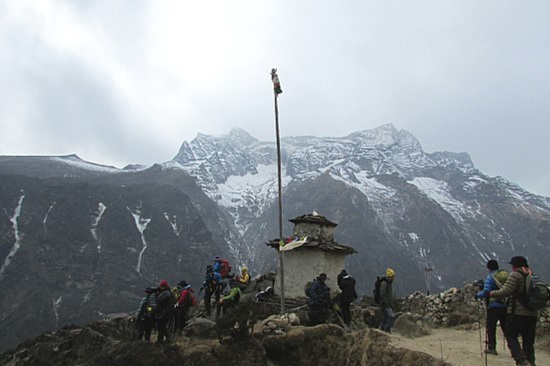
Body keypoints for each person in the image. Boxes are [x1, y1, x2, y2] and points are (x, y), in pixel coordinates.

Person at [489, 256, 539, 366]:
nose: (511, 267)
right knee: (528, 341)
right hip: (533, 313)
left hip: (518, 312)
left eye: (512, 265)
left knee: (511, 335)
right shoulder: (532, 276)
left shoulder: (515, 276)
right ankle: (531, 362)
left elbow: (506, 291)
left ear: (516, 266)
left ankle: (521, 360)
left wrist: (492, 293)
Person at [475, 259, 508, 355]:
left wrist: (477, 295)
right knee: (506, 328)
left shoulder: (491, 277)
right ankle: (515, 348)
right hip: (504, 305)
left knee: (491, 327)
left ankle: (492, 347)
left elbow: (486, 292)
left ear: (489, 268)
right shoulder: (505, 276)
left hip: (493, 306)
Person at [379, 268, 395, 333]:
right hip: (385, 304)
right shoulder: (385, 283)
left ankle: (381, 329)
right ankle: (387, 329)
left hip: (386, 303)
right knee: (391, 316)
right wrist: (387, 303)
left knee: (385, 317)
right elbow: (382, 294)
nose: (394, 278)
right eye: (393, 276)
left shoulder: (388, 283)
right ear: (390, 276)